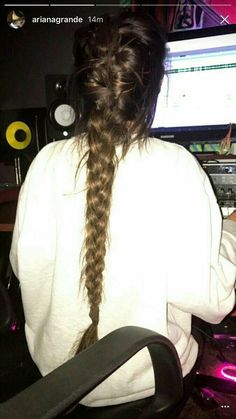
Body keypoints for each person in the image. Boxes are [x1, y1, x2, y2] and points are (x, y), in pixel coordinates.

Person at [10, 10, 236, 408]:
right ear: (155, 89)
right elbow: (212, 302)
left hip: (57, 385)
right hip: (145, 380)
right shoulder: (176, 165)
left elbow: (23, 265)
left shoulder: (45, 161)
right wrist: (231, 231)